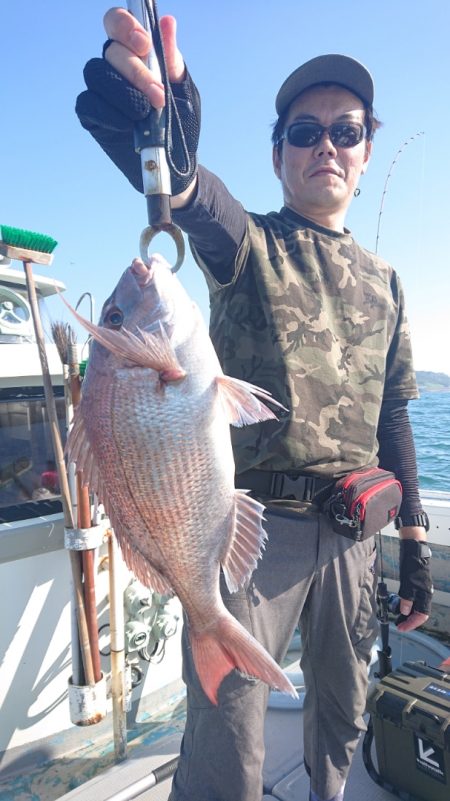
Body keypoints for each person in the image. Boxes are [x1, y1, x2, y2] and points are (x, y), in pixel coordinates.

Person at [76, 10, 434, 801]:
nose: (327, 147)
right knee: (229, 723)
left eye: (346, 131)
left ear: (367, 151)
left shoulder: (390, 280)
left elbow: (397, 416)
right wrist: (163, 142)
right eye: (305, 132)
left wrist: (413, 540)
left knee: (342, 711)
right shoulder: (247, 244)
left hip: (354, 534)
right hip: (248, 535)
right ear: (279, 155)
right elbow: (191, 196)